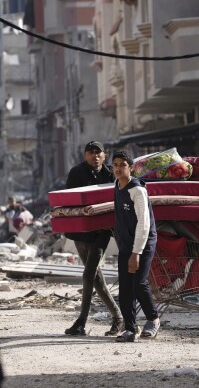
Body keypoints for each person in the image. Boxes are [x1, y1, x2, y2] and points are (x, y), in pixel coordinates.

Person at [64, 141, 124, 336]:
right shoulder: (76, 173)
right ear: (85, 155)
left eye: (98, 153)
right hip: (80, 233)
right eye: (91, 152)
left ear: (104, 156)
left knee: (88, 274)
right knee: (96, 279)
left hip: (101, 233)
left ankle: (81, 321)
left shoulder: (110, 175)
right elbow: (69, 202)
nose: (95, 156)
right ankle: (118, 318)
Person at [112, 149, 160, 342]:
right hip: (126, 243)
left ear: (131, 168)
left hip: (144, 242)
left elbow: (144, 224)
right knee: (124, 287)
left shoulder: (138, 190)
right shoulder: (116, 185)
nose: (118, 168)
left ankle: (153, 319)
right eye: (114, 165)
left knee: (138, 283)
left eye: (122, 165)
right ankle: (131, 329)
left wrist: (136, 253)